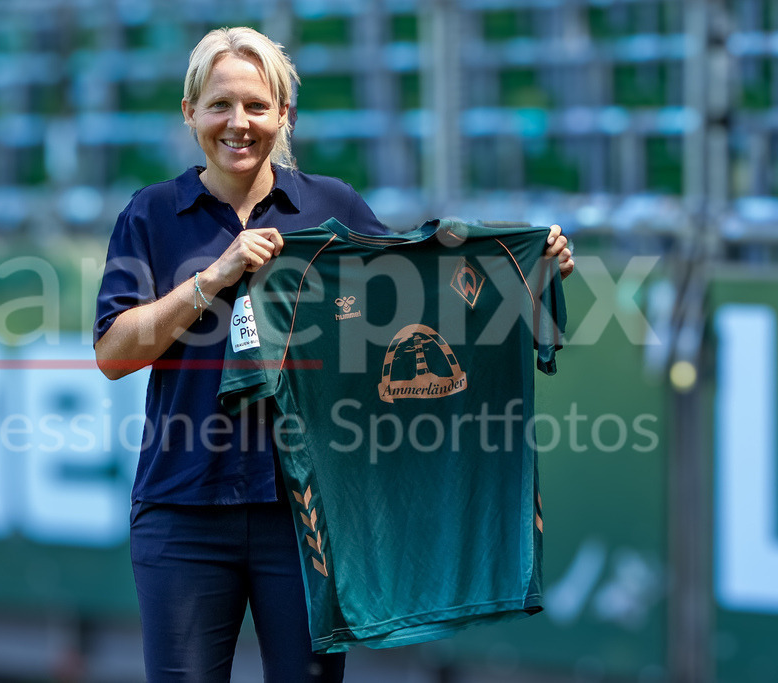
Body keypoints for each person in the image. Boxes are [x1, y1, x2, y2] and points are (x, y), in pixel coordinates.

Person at [94, 26, 574, 683]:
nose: (239, 123)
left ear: (285, 114)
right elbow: (114, 352)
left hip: (310, 521)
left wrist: (526, 273)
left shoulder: (332, 205)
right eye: (220, 105)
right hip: (183, 515)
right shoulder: (150, 214)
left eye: (258, 106)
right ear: (190, 112)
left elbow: (417, 306)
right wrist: (212, 278)